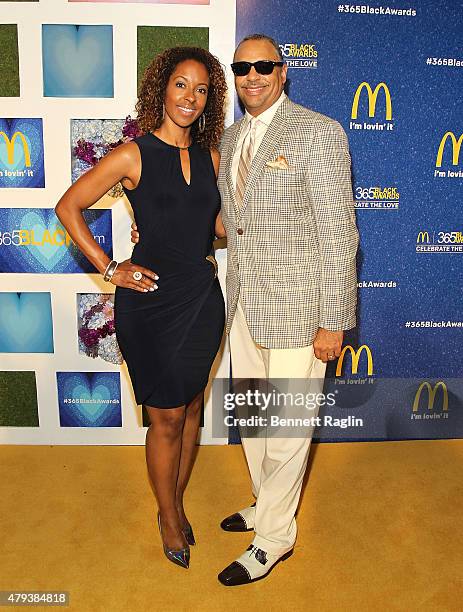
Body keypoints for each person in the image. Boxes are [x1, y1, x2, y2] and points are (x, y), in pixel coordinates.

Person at [132, 33, 359, 585]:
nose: (251, 76)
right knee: (256, 425)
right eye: (241, 68)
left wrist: (334, 318)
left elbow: (339, 232)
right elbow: (223, 226)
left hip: (302, 315)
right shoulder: (228, 142)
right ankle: (265, 504)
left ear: (283, 72)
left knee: (287, 430)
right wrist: (160, 230)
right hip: (240, 311)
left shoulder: (318, 132)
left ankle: (275, 538)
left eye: (263, 66)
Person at [55, 46, 227, 570]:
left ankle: (175, 497)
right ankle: (169, 514)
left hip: (200, 297)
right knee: (166, 417)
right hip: (150, 302)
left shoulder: (213, 157)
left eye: (201, 90)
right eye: (181, 85)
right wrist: (111, 268)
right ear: (163, 89)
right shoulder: (133, 153)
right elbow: (69, 205)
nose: (189, 98)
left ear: (209, 100)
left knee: (193, 405)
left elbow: (216, 228)